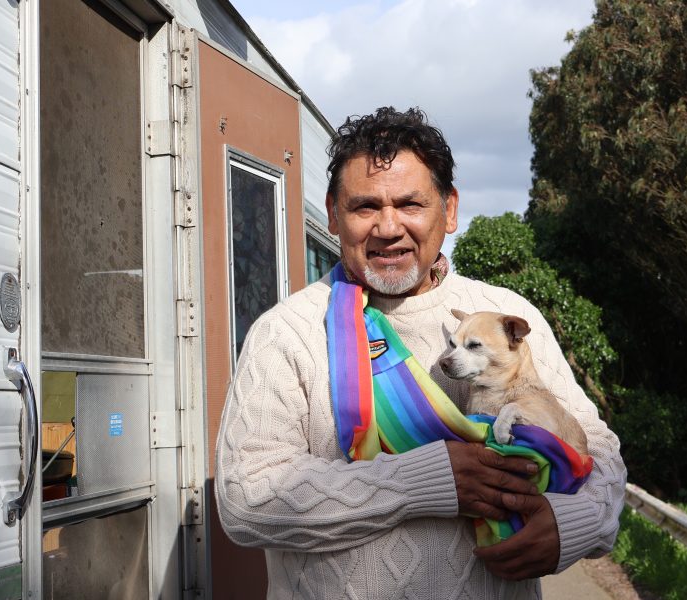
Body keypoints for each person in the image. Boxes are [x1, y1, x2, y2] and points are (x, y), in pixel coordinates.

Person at [215, 106, 626, 599]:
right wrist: (425, 482)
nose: (388, 228)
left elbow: (596, 445)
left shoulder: (505, 316)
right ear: (332, 214)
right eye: (365, 206)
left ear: (449, 210)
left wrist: (573, 522)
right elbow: (245, 499)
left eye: (410, 204)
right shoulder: (287, 333)